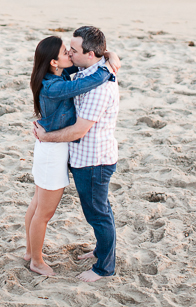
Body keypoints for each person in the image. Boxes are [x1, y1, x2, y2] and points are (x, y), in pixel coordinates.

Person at [25, 35, 119, 276]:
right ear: (54, 62)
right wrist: (108, 67)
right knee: (43, 213)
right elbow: (89, 80)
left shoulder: (59, 74)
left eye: (71, 50)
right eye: (66, 52)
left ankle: (30, 252)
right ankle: (36, 260)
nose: (70, 54)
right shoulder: (55, 85)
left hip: (52, 149)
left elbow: (86, 62)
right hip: (52, 152)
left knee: (37, 206)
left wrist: (109, 55)